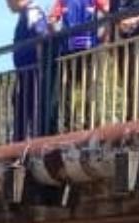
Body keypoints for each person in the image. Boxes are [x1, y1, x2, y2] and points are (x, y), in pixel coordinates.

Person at [49, 0, 110, 129]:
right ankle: (74, 123)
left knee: (86, 88)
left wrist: (104, 34)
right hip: (72, 50)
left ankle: (87, 123)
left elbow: (108, 12)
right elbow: (52, 19)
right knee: (69, 89)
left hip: (84, 49)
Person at [109, 0, 139, 120]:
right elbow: (112, 19)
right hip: (122, 43)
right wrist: (111, 40)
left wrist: (134, 21)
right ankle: (130, 118)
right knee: (127, 83)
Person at [8, 0, 49, 140]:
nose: (8, 5)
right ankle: (20, 144)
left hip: (32, 70)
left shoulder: (33, 12)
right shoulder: (24, 14)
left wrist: (39, 64)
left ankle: (33, 144)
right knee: (20, 103)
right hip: (24, 71)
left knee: (32, 105)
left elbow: (41, 35)